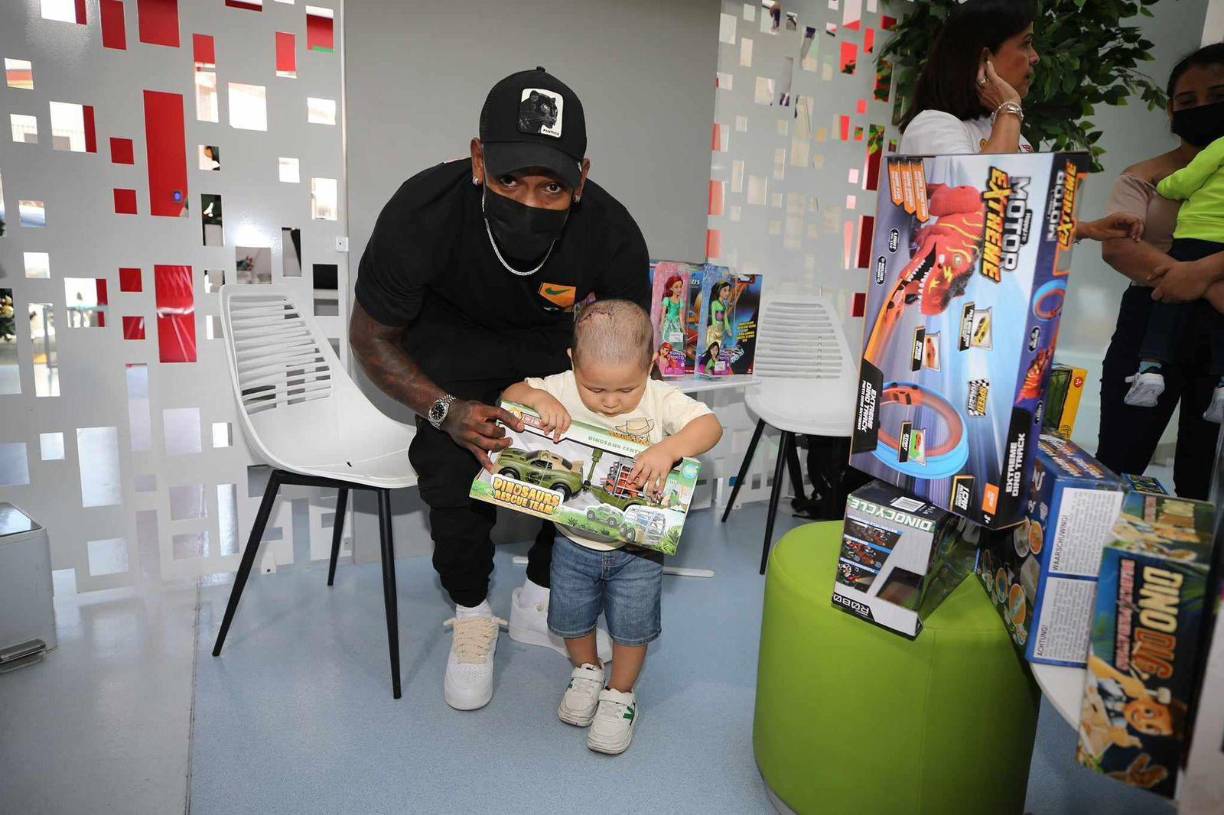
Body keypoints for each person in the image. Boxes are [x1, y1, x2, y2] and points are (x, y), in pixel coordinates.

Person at [351, 68, 650, 711]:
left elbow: (624, 344)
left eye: (552, 186)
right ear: (478, 157)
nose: (529, 201)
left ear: (583, 177)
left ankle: (542, 598)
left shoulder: (612, 233)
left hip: (549, 359)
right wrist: (444, 409)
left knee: (591, 451)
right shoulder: (421, 213)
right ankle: (472, 613)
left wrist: (620, 421)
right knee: (451, 469)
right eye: (510, 179)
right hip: (446, 360)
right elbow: (372, 338)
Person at [502, 300, 723, 754]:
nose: (608, 401)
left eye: (625, 389)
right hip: (572, 543)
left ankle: (620, 693)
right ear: (572, 362)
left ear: (652, 363)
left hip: (637, 551)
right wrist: (540, 398)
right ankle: (585, 672)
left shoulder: (660, 398)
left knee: (631, 629)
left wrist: (670, 449)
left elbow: (709, 425)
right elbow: (510, 394)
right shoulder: (562, 386)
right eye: (594, 387)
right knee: (572, 620)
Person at [896, 0, 1144, 241]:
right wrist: (1010, 107)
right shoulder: (932, 125)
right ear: (985, 59)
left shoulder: (1008, 131)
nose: (1035, 57)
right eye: (1025, 44)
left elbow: (1015, 221)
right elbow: (980, 203)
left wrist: (1086, 230)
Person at [1096, 43, 1224, 499]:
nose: (1203, 109)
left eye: (1218, 95)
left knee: (1203, 470)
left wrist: (1203, 269)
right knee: (1119, 458)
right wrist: (1198, 282)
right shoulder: (1146, 176)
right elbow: (1118, 248)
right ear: (1171, 110)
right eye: (1187, 102)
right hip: (1149, 320)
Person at [1123, 132, 1224, 422]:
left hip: (1197, 234)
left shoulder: (1220, 145)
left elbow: (1188, 180)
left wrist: (1165, 184)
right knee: (1220, 318)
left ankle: (1151, 370)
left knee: (1169, 299)